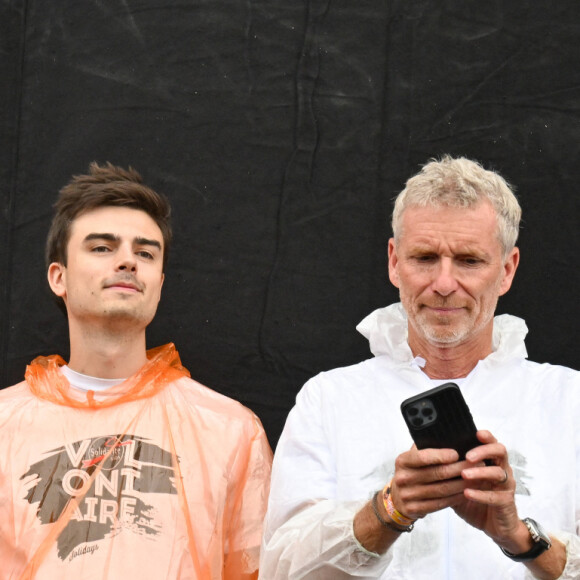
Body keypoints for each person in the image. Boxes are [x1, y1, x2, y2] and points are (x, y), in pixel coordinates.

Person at [260, 156, 579, 579]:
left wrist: (519, 538)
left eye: (469, 260)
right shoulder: (329, 399)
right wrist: (387, 511)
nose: (444, 284)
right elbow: (279, 570)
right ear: (395, 261)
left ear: (506, 270)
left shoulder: (568, 402)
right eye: (425, 257)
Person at [0, 162, 272, 579]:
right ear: (59, 277)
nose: (128, 261)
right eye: (102, 248)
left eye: (145, 253)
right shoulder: (4, 425)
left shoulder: (231, 431)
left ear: (159, 283)